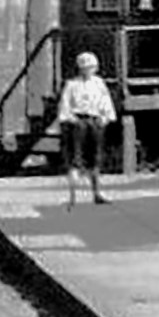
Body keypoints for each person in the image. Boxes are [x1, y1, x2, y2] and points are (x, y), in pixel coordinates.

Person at [56, 51, 117, 208]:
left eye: (91, 67)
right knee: (75, 158)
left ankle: (96, 193)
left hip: (95, 121)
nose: (89, 70)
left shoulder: (99, 83)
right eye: (85, 67)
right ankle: (72, 197)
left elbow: (106, 102)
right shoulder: (71, 85)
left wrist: (106, 118)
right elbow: (65, 106)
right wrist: (71, 120)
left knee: (95, 158)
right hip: (78, 122)